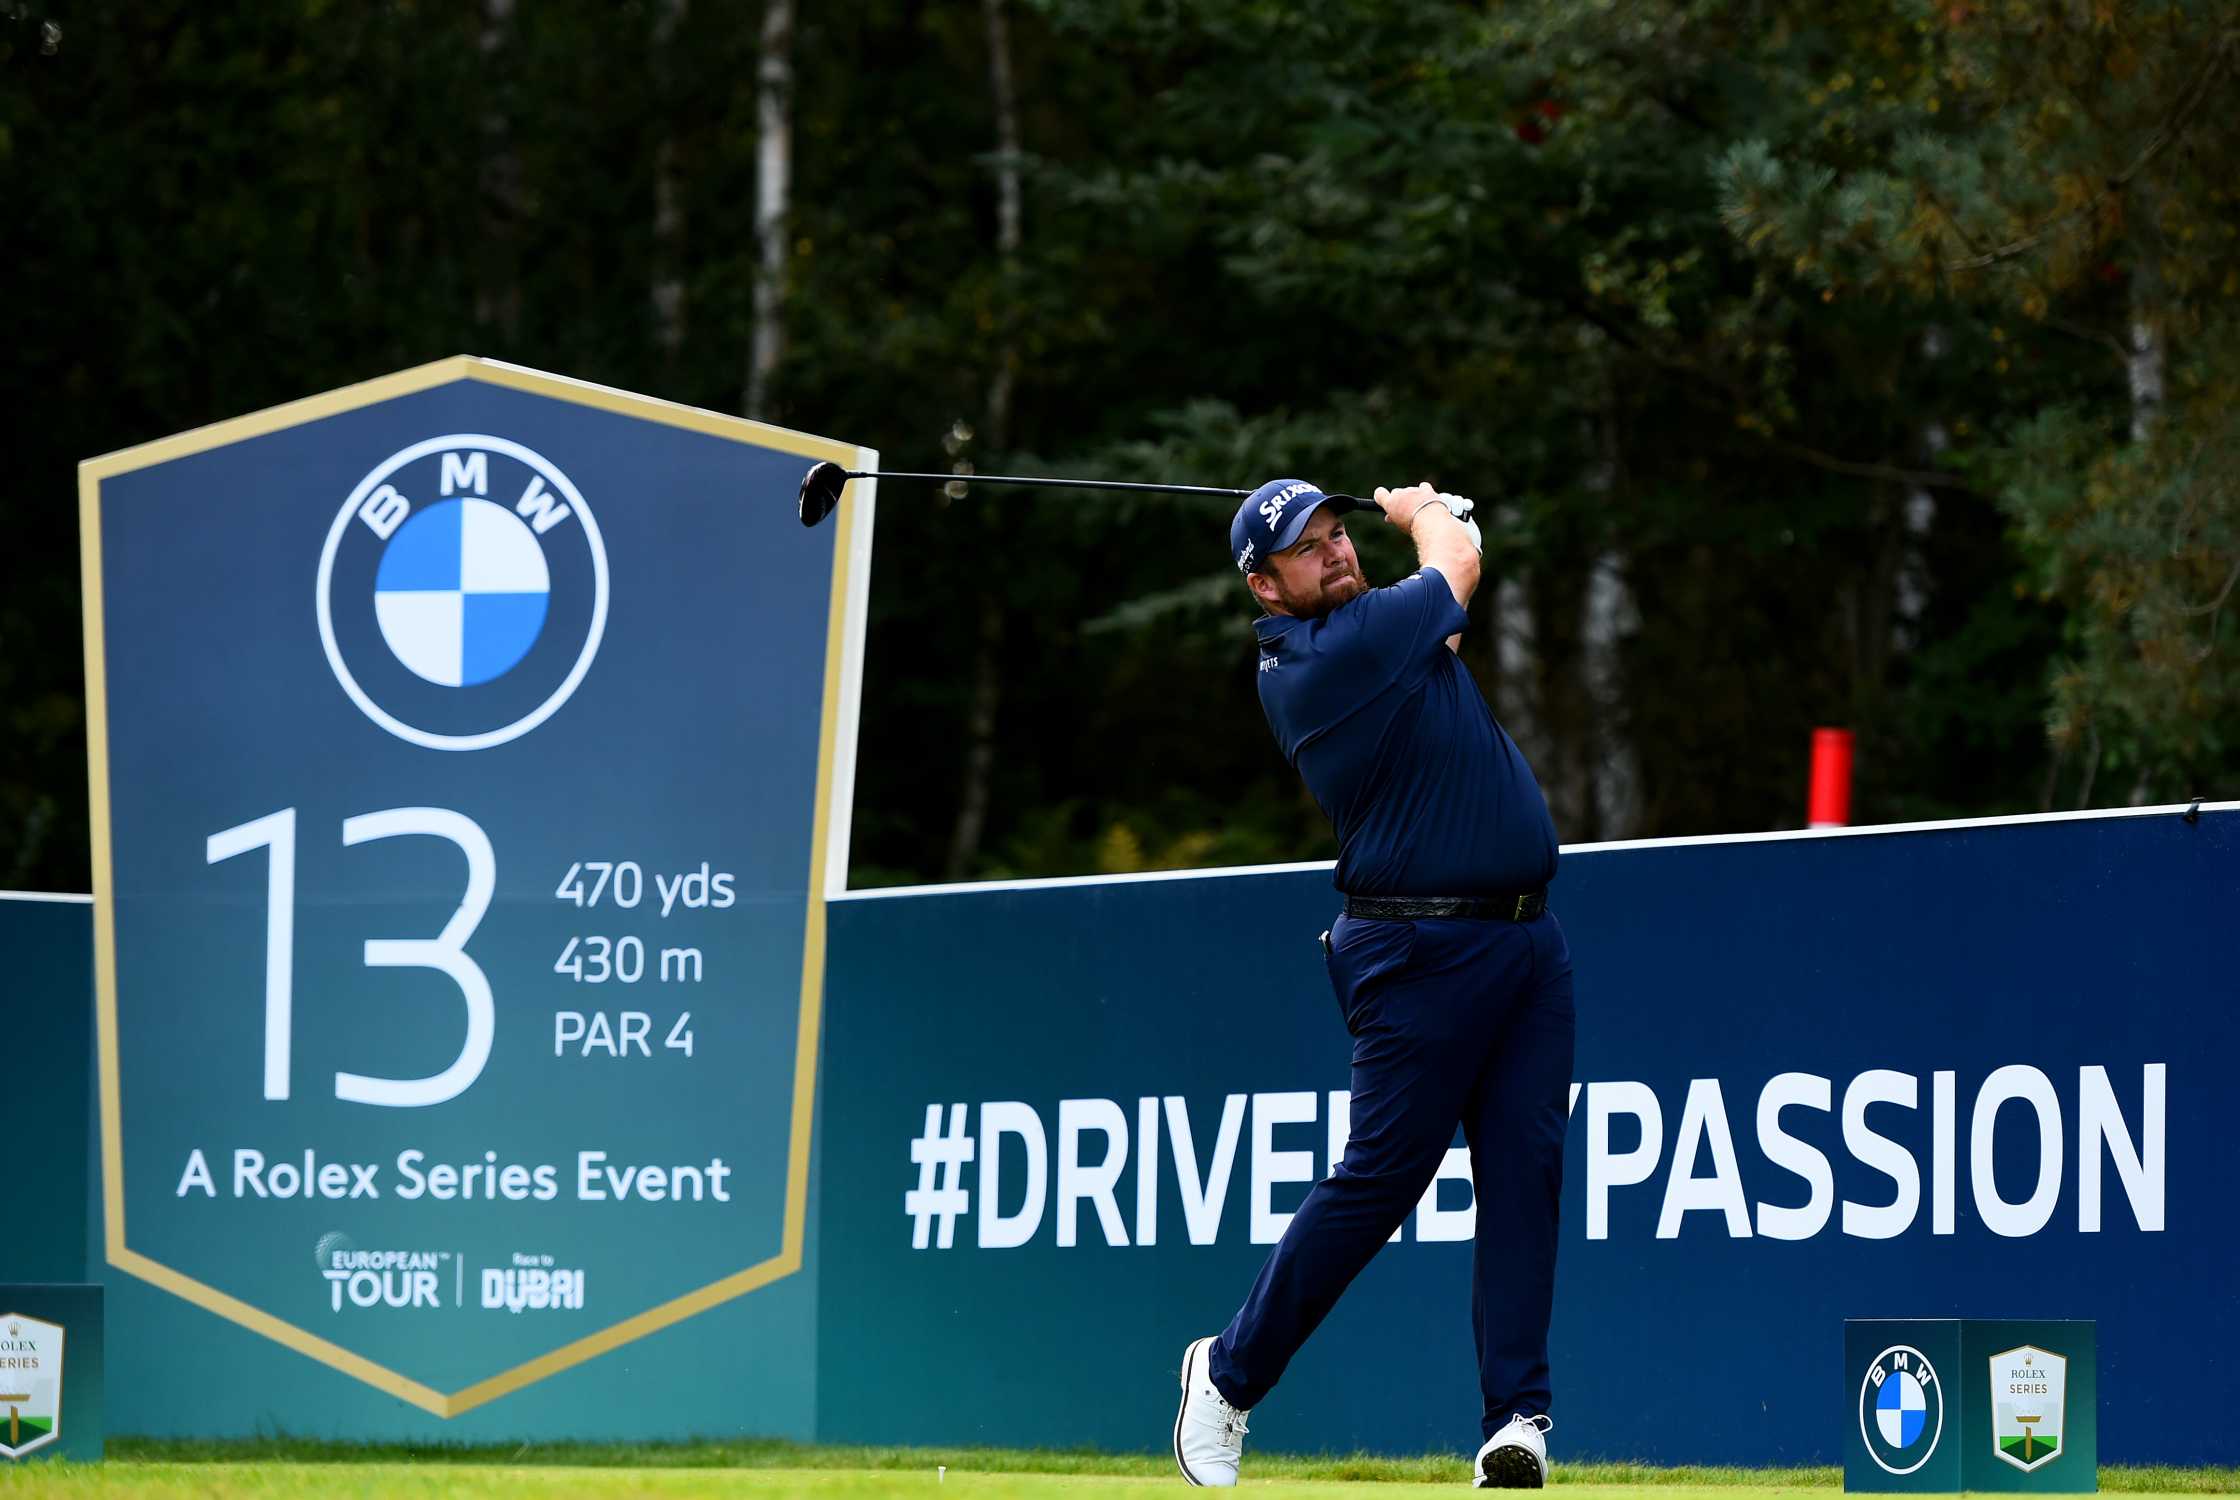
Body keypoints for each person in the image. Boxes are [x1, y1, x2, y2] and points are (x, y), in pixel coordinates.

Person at [1172, 479, 1575, 1489]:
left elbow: (1441, 612)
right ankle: (1224, 1375)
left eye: (1339, 532)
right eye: (1307, 551)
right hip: (1414, 957)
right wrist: (1419, 507)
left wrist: (1438, 537)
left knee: (1523, 1176)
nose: (1337, 553)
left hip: (1524, 943)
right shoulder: (1319, 659)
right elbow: (1457, 568)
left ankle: (1514, 1420)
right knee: (1378, 1184)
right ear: (1264, 589)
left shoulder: (1380, 633)